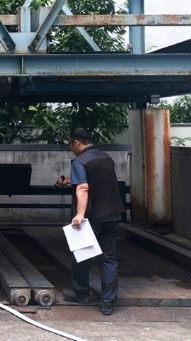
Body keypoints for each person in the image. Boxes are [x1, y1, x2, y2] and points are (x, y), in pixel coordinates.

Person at [56, 127, 125, 316]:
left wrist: (79, 214)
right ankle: (108, 303)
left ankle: (82, 294)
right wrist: (70, 181)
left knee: (82, 254)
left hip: (92, 217)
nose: (71, 149)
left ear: (77, 142)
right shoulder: (106, 158)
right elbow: (98, 181)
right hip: (112, 214)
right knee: (108, 259)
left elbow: (84, 188)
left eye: (70, 144)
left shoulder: (79, 161)